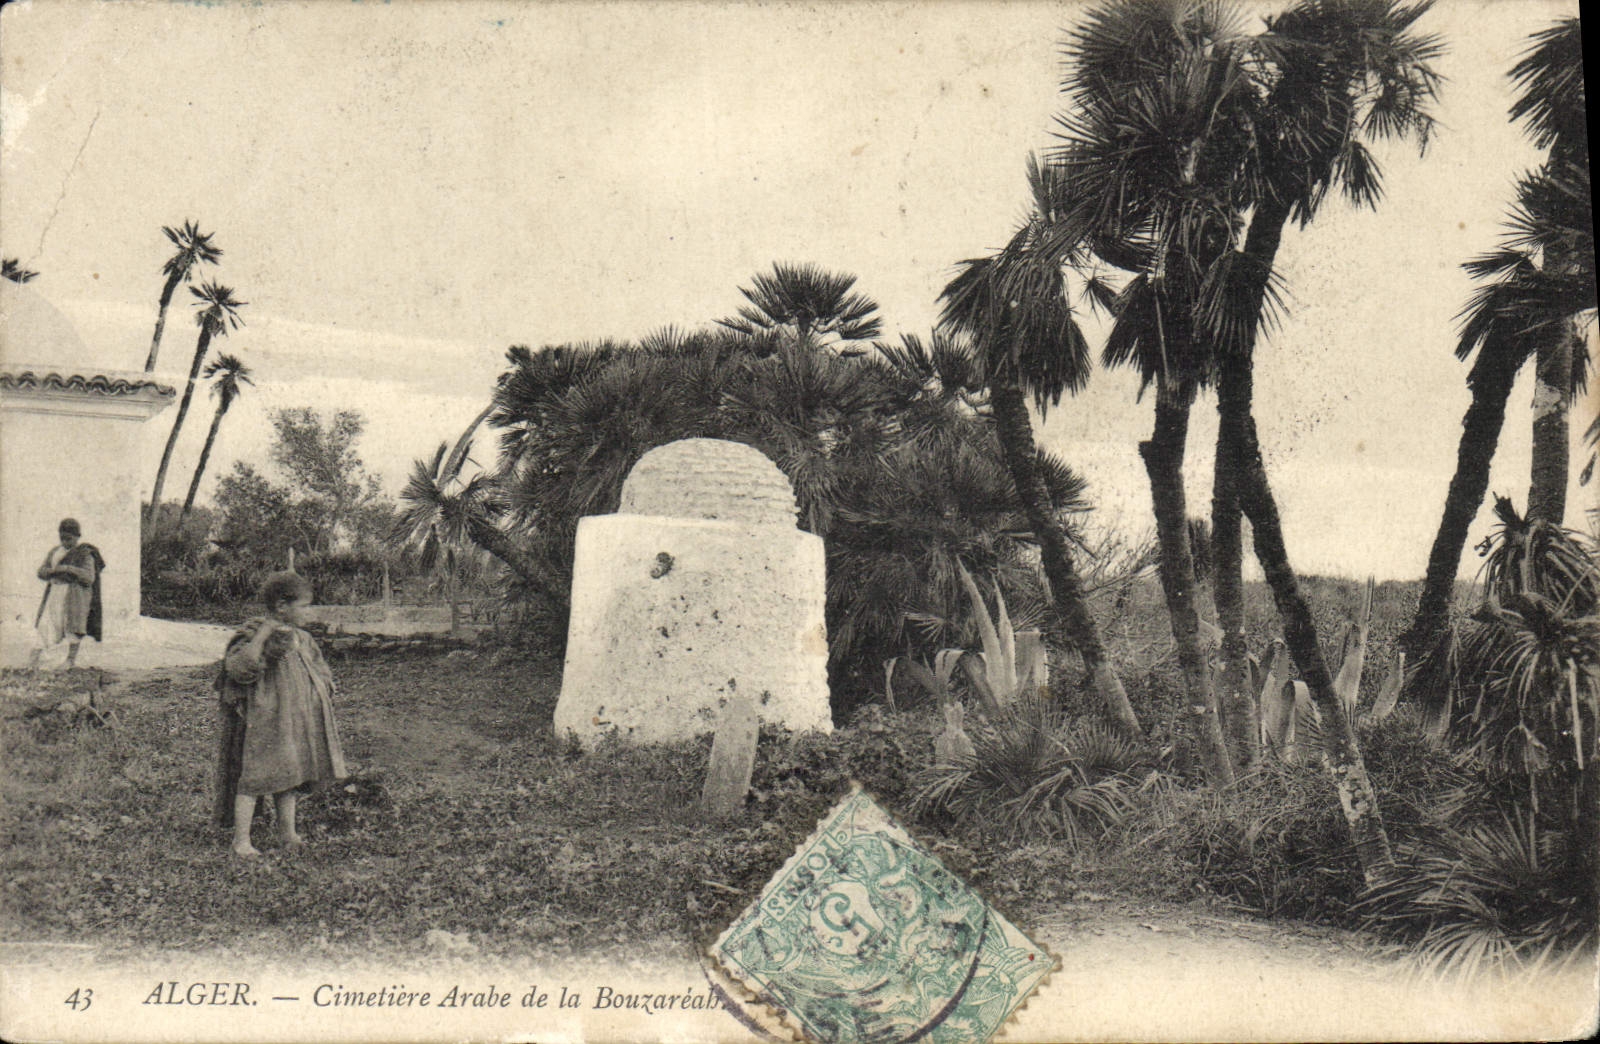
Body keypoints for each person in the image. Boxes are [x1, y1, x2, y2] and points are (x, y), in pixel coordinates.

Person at [214, 571, 347, 857]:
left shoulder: (303, 639)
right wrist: (264, 635)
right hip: (265, 720)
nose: (309, 612)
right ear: (281, 606)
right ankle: (241, 840)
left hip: (292, 721)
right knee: (253, 778)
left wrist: (323, 688)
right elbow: (240, 669)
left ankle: (288, 833)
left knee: (288, 776)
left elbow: (320, 670)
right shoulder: (253, 634)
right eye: (304, 606)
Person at [30, 518, 105, 670]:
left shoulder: (84, 554)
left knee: (73, 627)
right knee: (46, 624)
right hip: (55, 593)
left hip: (74, 595)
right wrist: (53, 571)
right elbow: (41, 572)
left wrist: (68, 569)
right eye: (62, 538)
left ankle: (70, 660)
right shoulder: (55, 552)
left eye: (69, 538)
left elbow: (89, 577)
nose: (65, 542)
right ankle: (33, 662)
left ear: (77, 536)